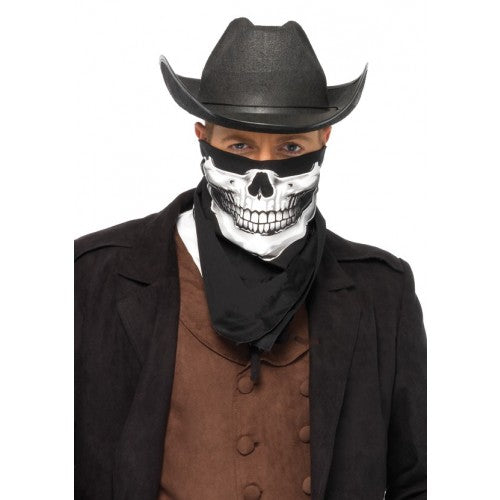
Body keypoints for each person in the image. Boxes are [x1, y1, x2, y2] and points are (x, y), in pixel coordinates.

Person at [75, 17, 427, 500]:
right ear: (203, 138)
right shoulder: (92, 277)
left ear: (324, 141)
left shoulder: (383, 293)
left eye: (290, 147)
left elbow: (416, 480)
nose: (264, 174)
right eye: (239, 145)